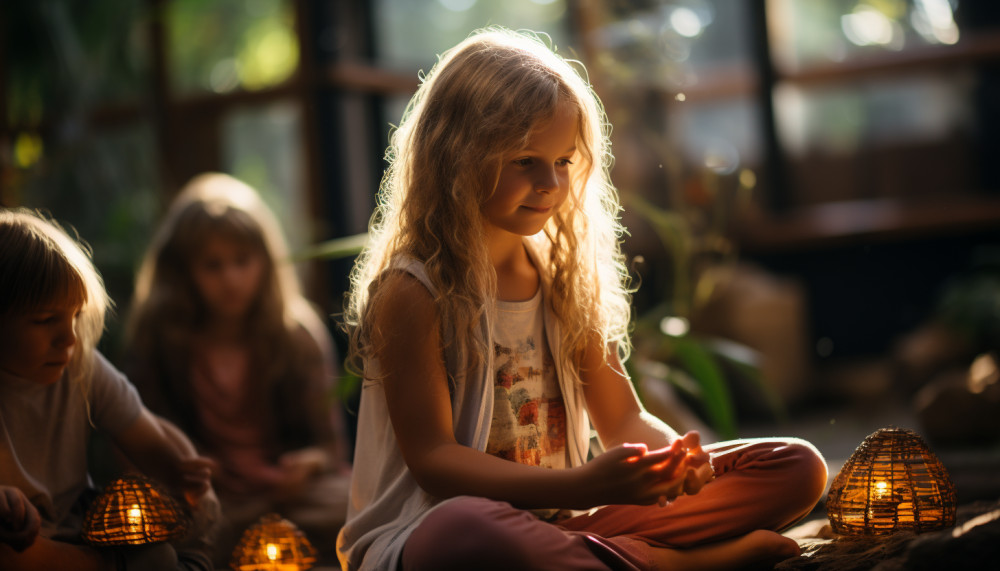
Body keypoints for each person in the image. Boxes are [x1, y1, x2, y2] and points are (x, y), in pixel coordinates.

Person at [337, 27, 829, 571]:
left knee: (796, 467)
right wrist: (580, 483)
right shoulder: (413, 290)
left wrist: (672, 466)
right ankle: (679, 565)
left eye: (565, 161)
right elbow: (434, 463)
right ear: (454, 156)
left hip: (564, 523)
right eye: (525, 160)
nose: (550, 182)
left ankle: (616, 559)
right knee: (467, 528)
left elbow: (623, 421)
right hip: (429, 534)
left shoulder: (564, 275)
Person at [124, 172, 350, 566]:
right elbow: (133, 451)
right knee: (155, 532)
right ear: (182, 271)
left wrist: (308, 464)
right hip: (205, 502)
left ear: (266, 261)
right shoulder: (157, 343)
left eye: (242, 261)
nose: (231, 279)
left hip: (292, 500)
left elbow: (331, 449)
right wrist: (185, 466)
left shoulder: (298, 337)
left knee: (364, 511)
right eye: (212, 265)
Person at [0, 207, 218, 571]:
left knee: (159, 546)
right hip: (17, 541)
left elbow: (150, 441)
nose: (69, 338)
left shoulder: (81, 367)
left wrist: (187, 481)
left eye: (75, 317)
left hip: (76, 526)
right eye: (44, 320)